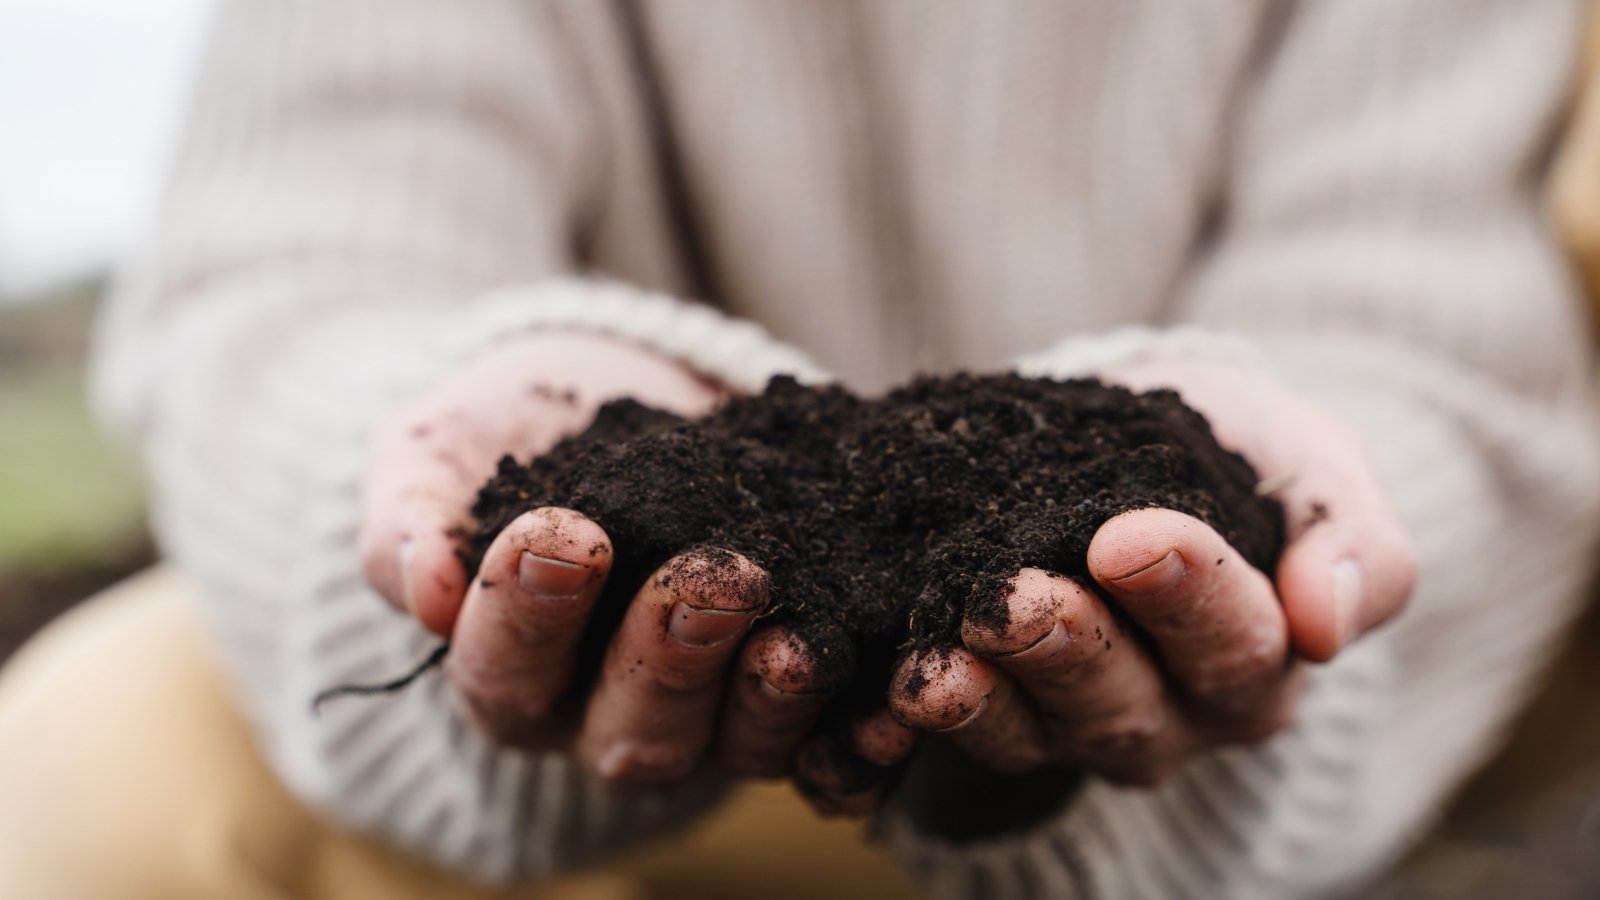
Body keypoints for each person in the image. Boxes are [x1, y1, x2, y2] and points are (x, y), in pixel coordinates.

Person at [80, 0, 1599, 896]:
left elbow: (1430, 327)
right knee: (102, 757)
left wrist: (1258, 484)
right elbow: (293, 273)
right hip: (603, 777)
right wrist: (458, 442)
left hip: (1245, 812)